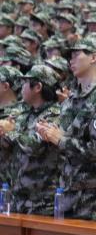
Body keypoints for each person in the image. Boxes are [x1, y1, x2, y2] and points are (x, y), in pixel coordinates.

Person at [36, 37, 96, 221]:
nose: (71, 60)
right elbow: (61, 133)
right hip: (66, 189)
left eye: (76, 54)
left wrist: (60, 140)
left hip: (91, 197)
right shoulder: (71, 99)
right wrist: (47, 133)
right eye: (70, 56)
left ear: (93, 58)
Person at [2, 66, 61, 214]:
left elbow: (34, 146)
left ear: (38, 87)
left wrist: (11, 132)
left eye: (25, 83)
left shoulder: (54, 115)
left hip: (41, 200)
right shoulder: (25, 113)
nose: (21, 88)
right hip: (18, 196)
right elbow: (9, 144)